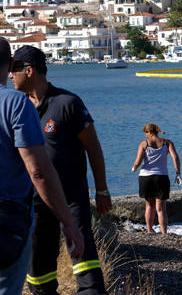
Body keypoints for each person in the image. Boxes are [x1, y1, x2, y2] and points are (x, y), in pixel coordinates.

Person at [11, 45, 109, 295]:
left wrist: (102, 190)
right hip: (35, 203)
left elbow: (93, 148)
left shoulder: (68, 103)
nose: (10, 75)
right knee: (38, 278)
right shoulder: (18, 108)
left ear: (29, 71)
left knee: (87, 271)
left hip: (71, 199)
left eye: (14, 70)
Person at [0, 38, 83, 295]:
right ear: (11, 65)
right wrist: (68, 222)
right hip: (8, 219)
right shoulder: (16, 104)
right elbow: (38, 171)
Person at [131, 123, 181, 234]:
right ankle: (164, 233)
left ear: (149, 132)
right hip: (161, 177)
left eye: (145, 133)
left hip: (145, 178)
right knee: (161, 208)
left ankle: (149, 231)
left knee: (149, 205)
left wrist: (134, 168)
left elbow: (138, 161)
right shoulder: (167, 143)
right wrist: (178, 173)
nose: (145, 136)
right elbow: (175, 158)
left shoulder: (144, 144)